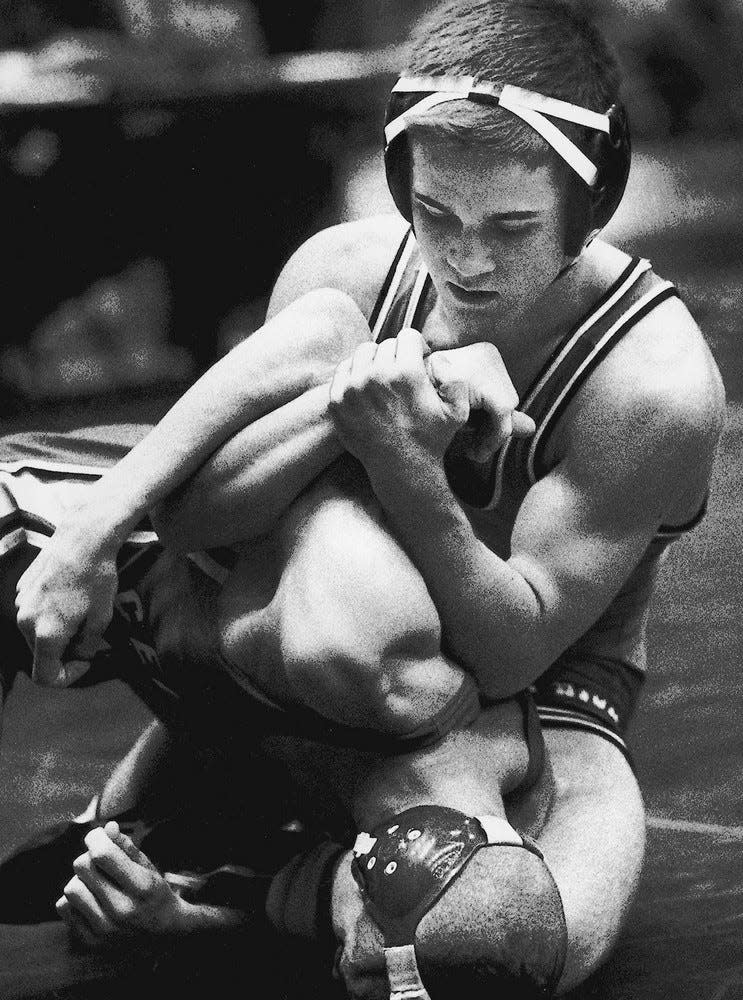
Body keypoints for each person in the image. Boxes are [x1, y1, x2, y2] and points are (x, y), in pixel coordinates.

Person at [1, 0, 724, 995]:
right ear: (398, 184)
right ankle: (216, 779)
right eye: (435, 214)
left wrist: (401, 463)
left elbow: (513, 647)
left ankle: (224, 884)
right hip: (323, 633)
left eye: (510, 226)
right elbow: (209, 522)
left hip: (533, 696)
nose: (466, 258)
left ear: (588, 202)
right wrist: (88, 532)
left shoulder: (647, 385)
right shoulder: (342, 272)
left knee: (504, 946)